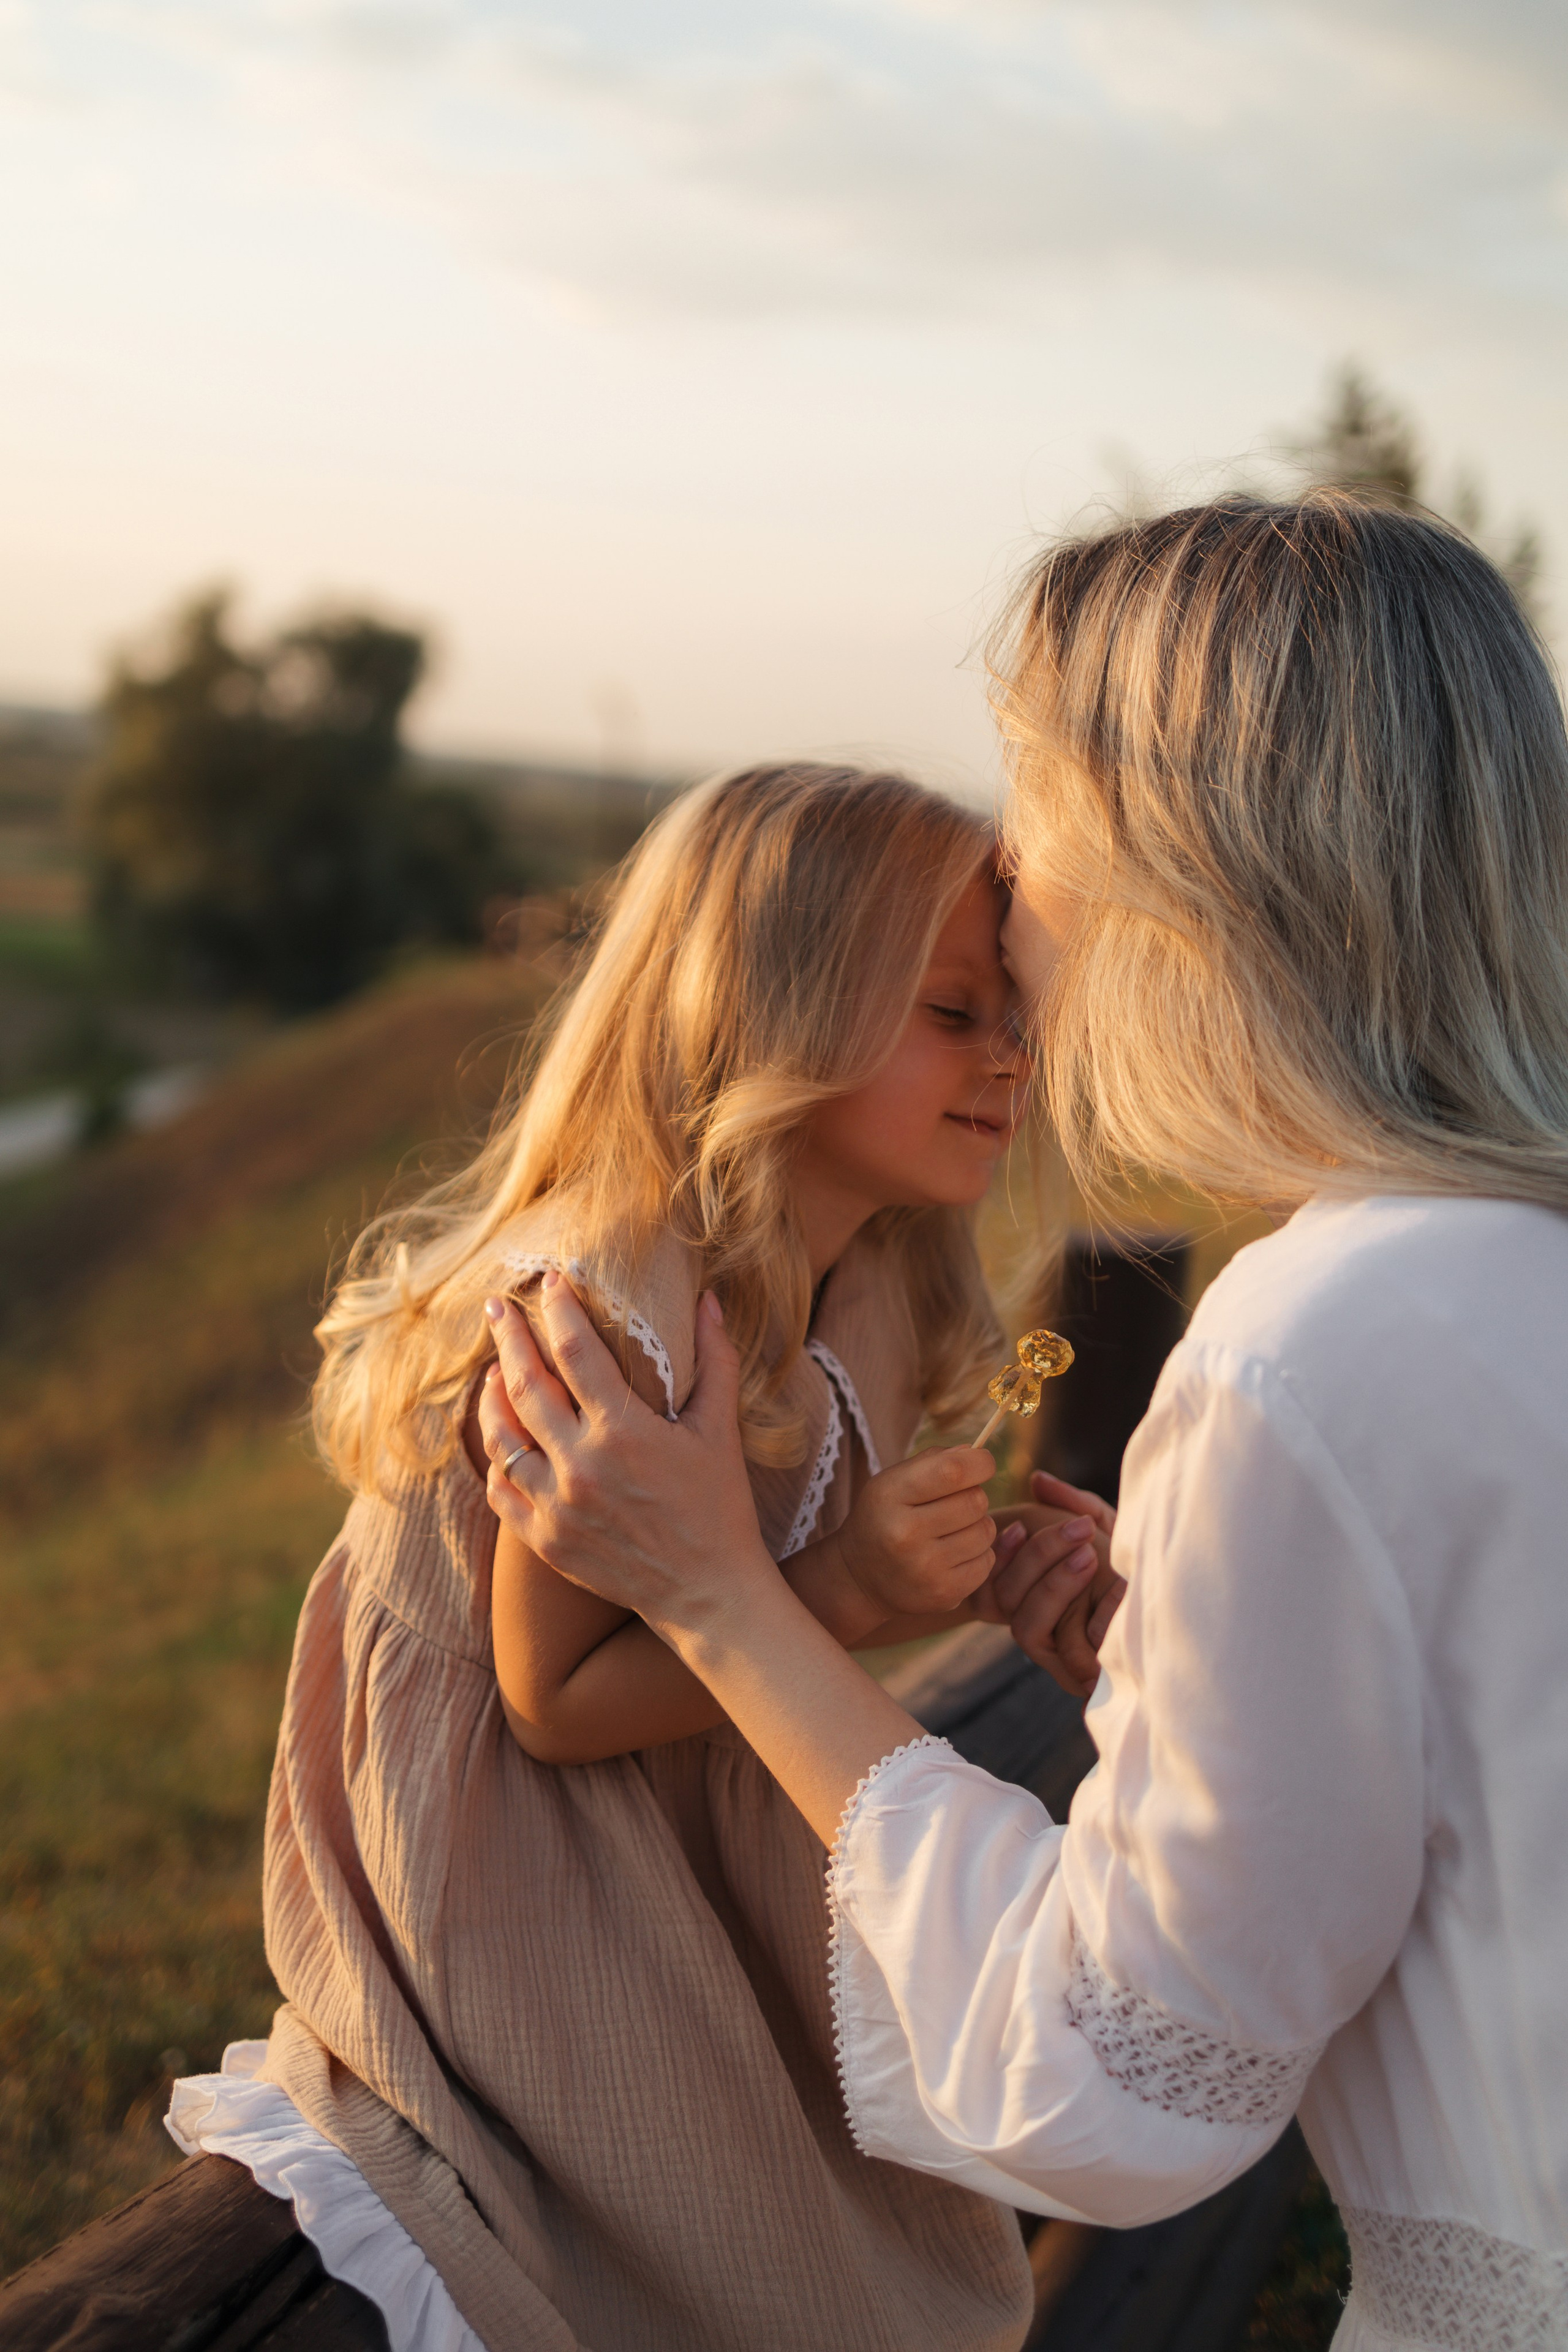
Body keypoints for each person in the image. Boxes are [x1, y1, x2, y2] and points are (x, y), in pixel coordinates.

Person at [480, 494, 1568, 2352]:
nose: (1027, 942)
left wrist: (729, 1597)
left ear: (1187, 887)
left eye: (1040, 852)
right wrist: (1200, 1687)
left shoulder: (1314, 1346)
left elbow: (1118, 2075)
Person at [179, 763, 1120, 2352]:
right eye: (954, 1012)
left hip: (704, 1848)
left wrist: (956, 1576)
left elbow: (762, 1617)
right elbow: (548, 1700)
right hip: (532, 1880)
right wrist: (843, 1597)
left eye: (1014, 1011)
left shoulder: (871, 1274)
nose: (1011, 1060)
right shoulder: (609, 1305)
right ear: (779, 1014)